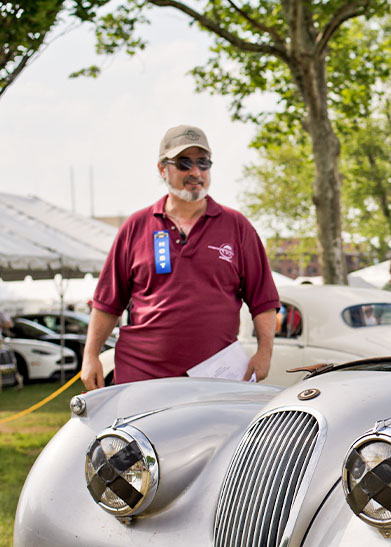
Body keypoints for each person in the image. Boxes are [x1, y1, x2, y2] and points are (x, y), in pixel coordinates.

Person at [81, 125, 279, 389]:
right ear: (163, 169)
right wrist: (90, 355)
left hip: (215, 378)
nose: (195, 172)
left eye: (203, 163)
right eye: (184, 163)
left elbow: (263, 299)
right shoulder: (135, 226)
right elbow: (107, 302)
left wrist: (265, 351)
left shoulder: (237, 226)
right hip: (142, 377)